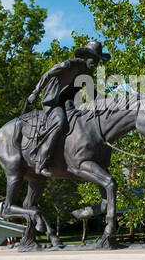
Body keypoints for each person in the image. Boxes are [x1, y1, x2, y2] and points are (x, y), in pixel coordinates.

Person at [27, 41, 109, 177]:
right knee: (59, 122)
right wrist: (35, 92)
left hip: (68, 103)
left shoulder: (88, 73)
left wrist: (109, 100)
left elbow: (91, 93)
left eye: (98, 61)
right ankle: (41, 160)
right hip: (52, 102)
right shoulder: (70, 64)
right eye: (94, 59)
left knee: (83, 122)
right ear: (87, 56)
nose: (96, 63)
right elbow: (48, 74)